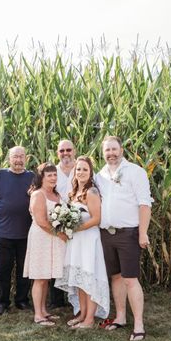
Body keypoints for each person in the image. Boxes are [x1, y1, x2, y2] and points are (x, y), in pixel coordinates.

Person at [95, 136, 153, 341]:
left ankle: (139, 324)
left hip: (128, 234)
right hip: (106, 234)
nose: (110, 153)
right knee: (116, 277)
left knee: (130, 279)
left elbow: (145, 204)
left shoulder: (135, 172)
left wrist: (143, 232)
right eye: (107, 150)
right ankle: (120, 317)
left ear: (121, 150)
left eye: (114, 149)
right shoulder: (99, 175)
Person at [55, 157, 110, 328]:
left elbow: (96, 219)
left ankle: (89, 320)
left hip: (88, 239)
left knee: (89, 279)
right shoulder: (73, 193)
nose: (81, 172)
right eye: (78, 169)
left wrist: (77, 228)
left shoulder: (91, 192)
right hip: (76, 241)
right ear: (74, 171)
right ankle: (82, 315)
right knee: (80, 280)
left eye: (85, 169)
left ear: (90, 172)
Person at [0, 146, 35, 316]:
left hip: (26, 233)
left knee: (24, 270)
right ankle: (2, 302)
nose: (18, 160)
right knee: (3, 269)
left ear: (26, 159)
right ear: (9, 159)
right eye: (15, 157)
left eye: (21, 156)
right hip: (4, 232)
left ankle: (22, 300)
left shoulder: (32, 177)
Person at [23, 163, 68, 326]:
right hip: (41, 238)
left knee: (46, 276)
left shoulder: (56, 194)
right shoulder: (38, 194)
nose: (53, 178)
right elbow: (41, 221)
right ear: (42, 177)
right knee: (40, 277)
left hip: (53, 238)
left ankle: (44, 311)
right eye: (49, 175)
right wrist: (61, 233)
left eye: (55, 175)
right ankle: (38, 315)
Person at [48, 139, 77, 309]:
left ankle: (77, 298)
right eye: (61, 151)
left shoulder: (81, 169)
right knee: (57, 259)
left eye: (68, 150)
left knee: (76, 259)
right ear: (57, 153)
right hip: (57, 223)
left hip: (79, 222)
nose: (65, 153)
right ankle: (56, 301)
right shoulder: (53, 172)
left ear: (74, 151)